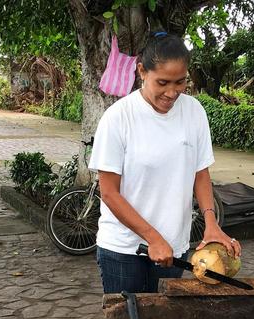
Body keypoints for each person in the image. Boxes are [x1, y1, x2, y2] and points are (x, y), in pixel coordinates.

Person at [88, 32, 241, 294]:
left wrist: (211, 223)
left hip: (174, 246)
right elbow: (109, 193)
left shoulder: (194, 111)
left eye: (180, 82)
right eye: (163, 82)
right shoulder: (118, 118)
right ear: (141, 71)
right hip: (124, 250)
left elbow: (200, 171)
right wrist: (152, 237)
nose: (172, 93)